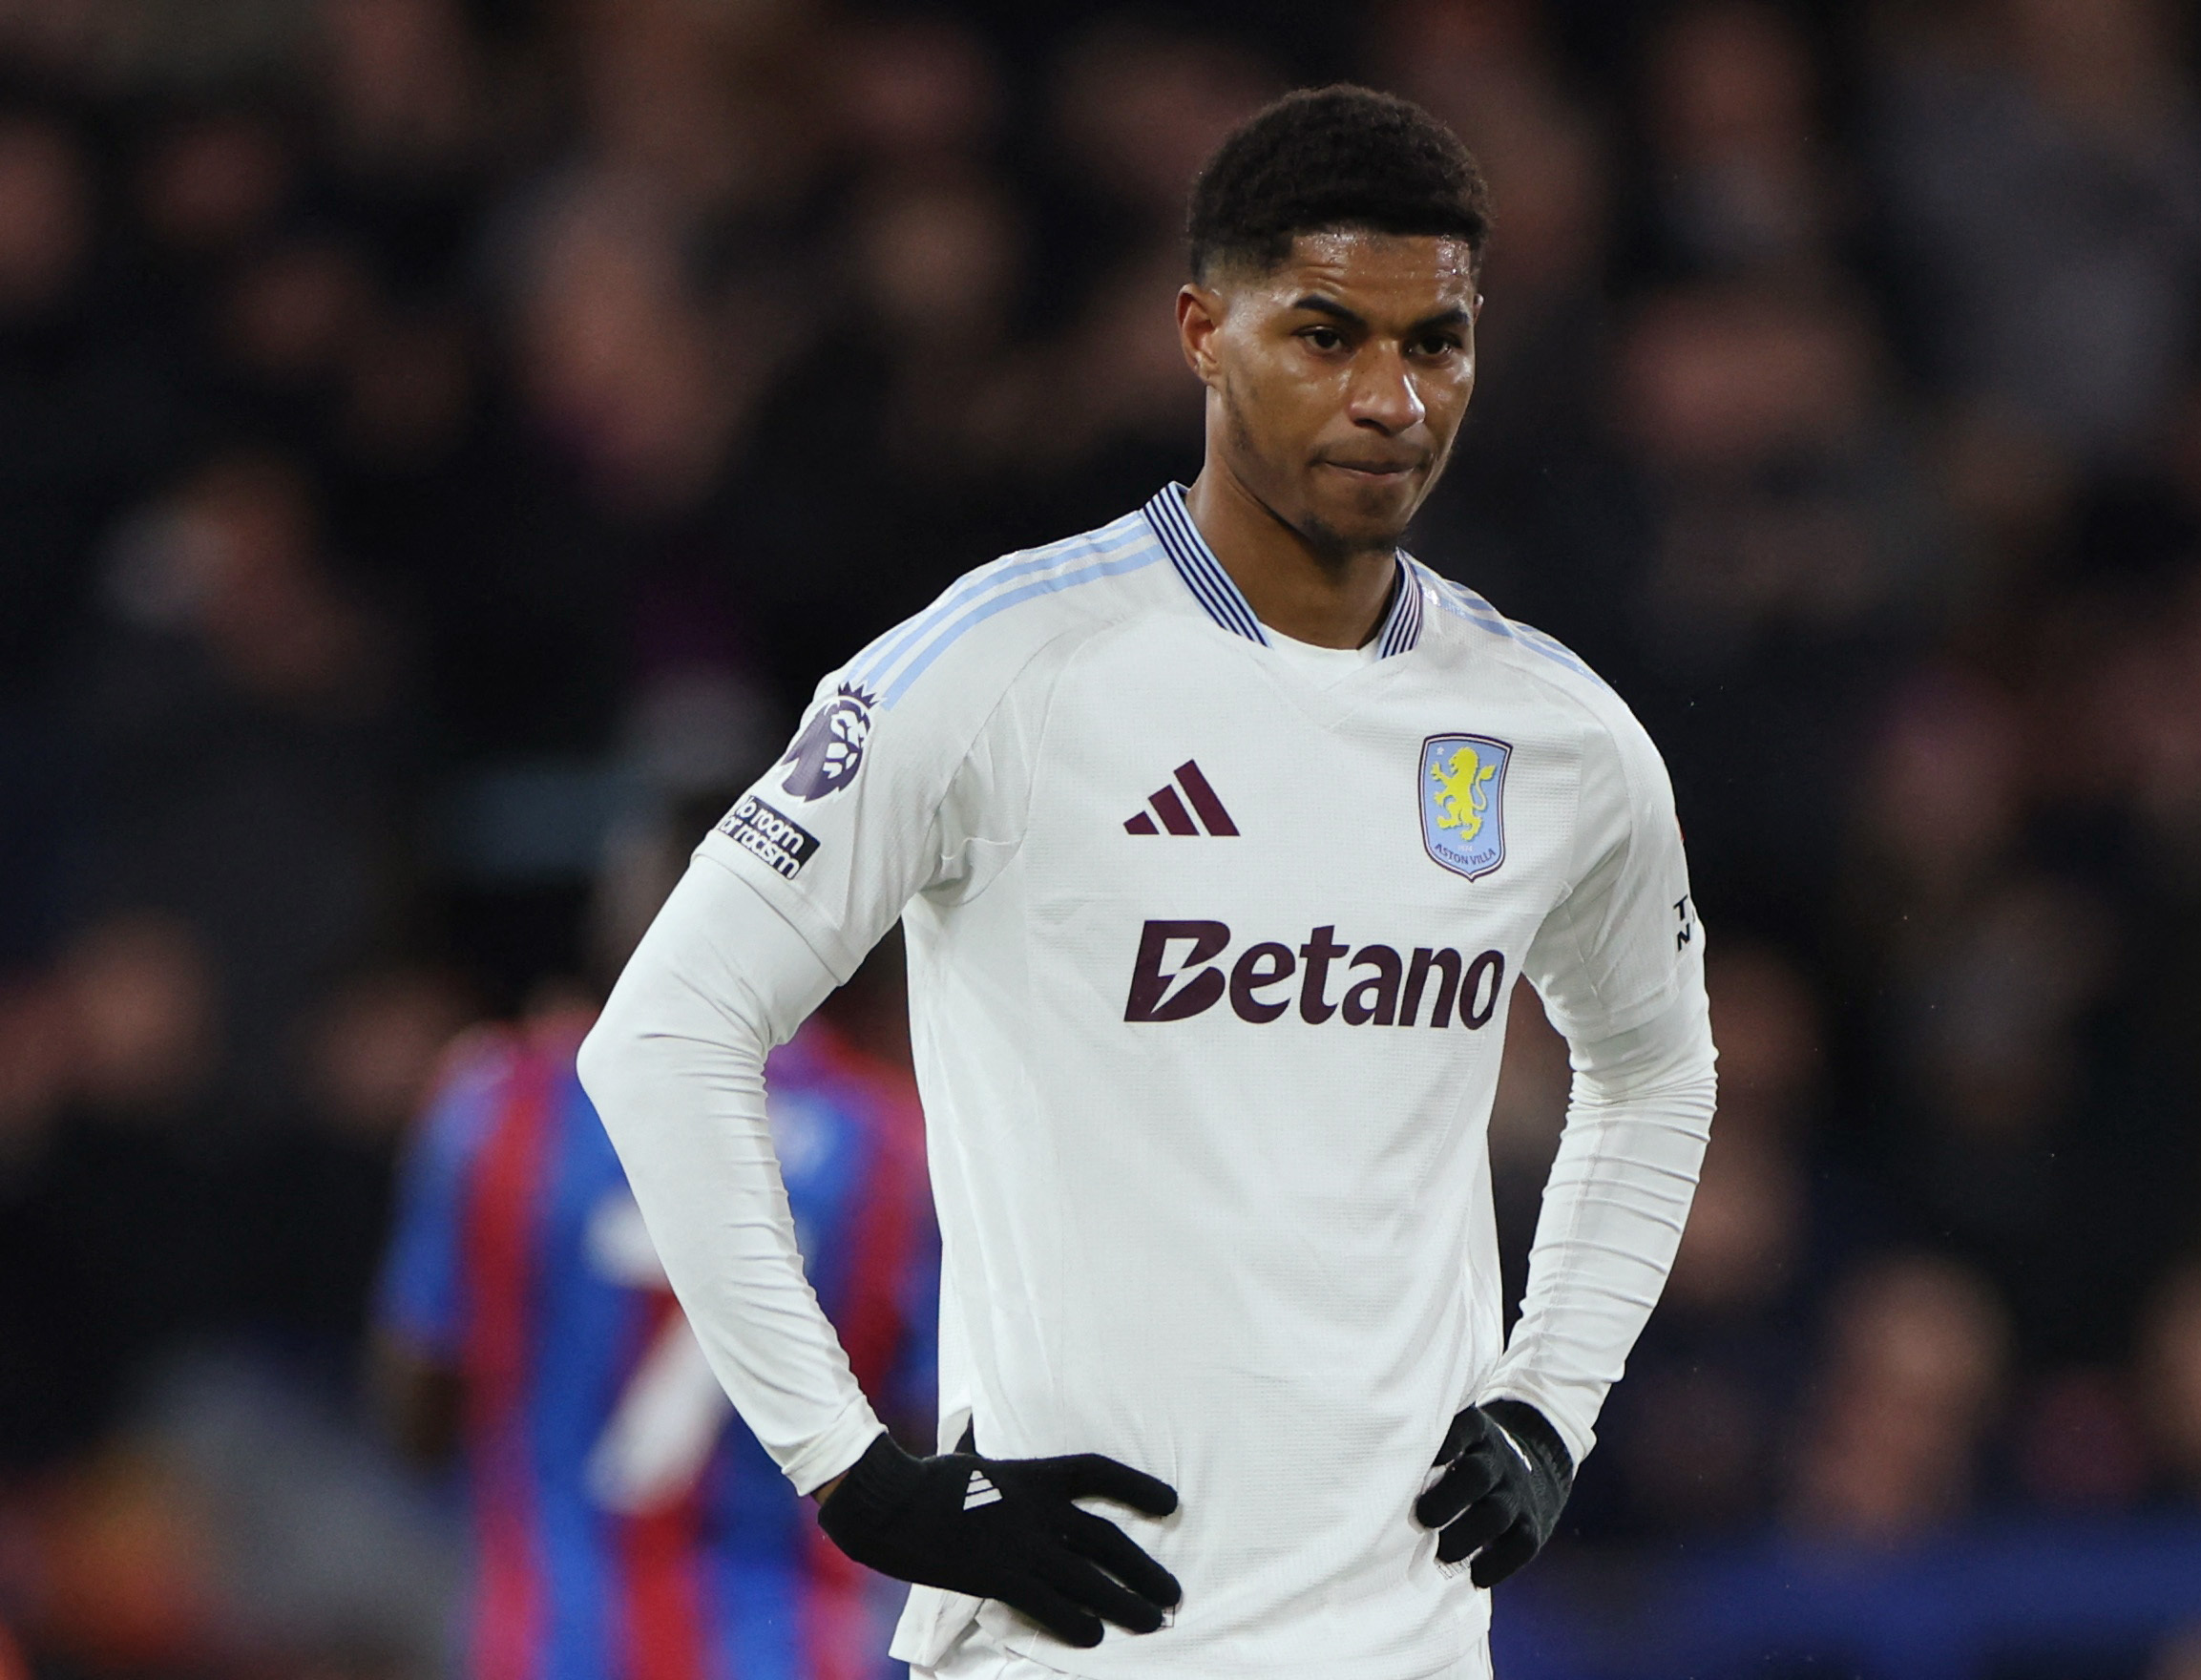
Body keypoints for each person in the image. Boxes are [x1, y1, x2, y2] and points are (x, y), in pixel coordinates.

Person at [578, 86, 1715, 1679]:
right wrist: (856, 1474)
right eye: (1325, 335)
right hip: (1072, 1648)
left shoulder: (1553, 734)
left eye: (1434, 343)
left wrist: (1551, 1397)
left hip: (1407, 1645)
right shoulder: (997, 669)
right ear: (1200, 331)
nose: (1391, 398)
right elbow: (662, 1036)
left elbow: (1657, 1066)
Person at [373, 984, 934, 1680]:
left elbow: (414, 1418)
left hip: (550, 1648)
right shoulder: (890, 1140)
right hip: (796, 1652)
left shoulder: (496, 1105)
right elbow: (929, 1446)